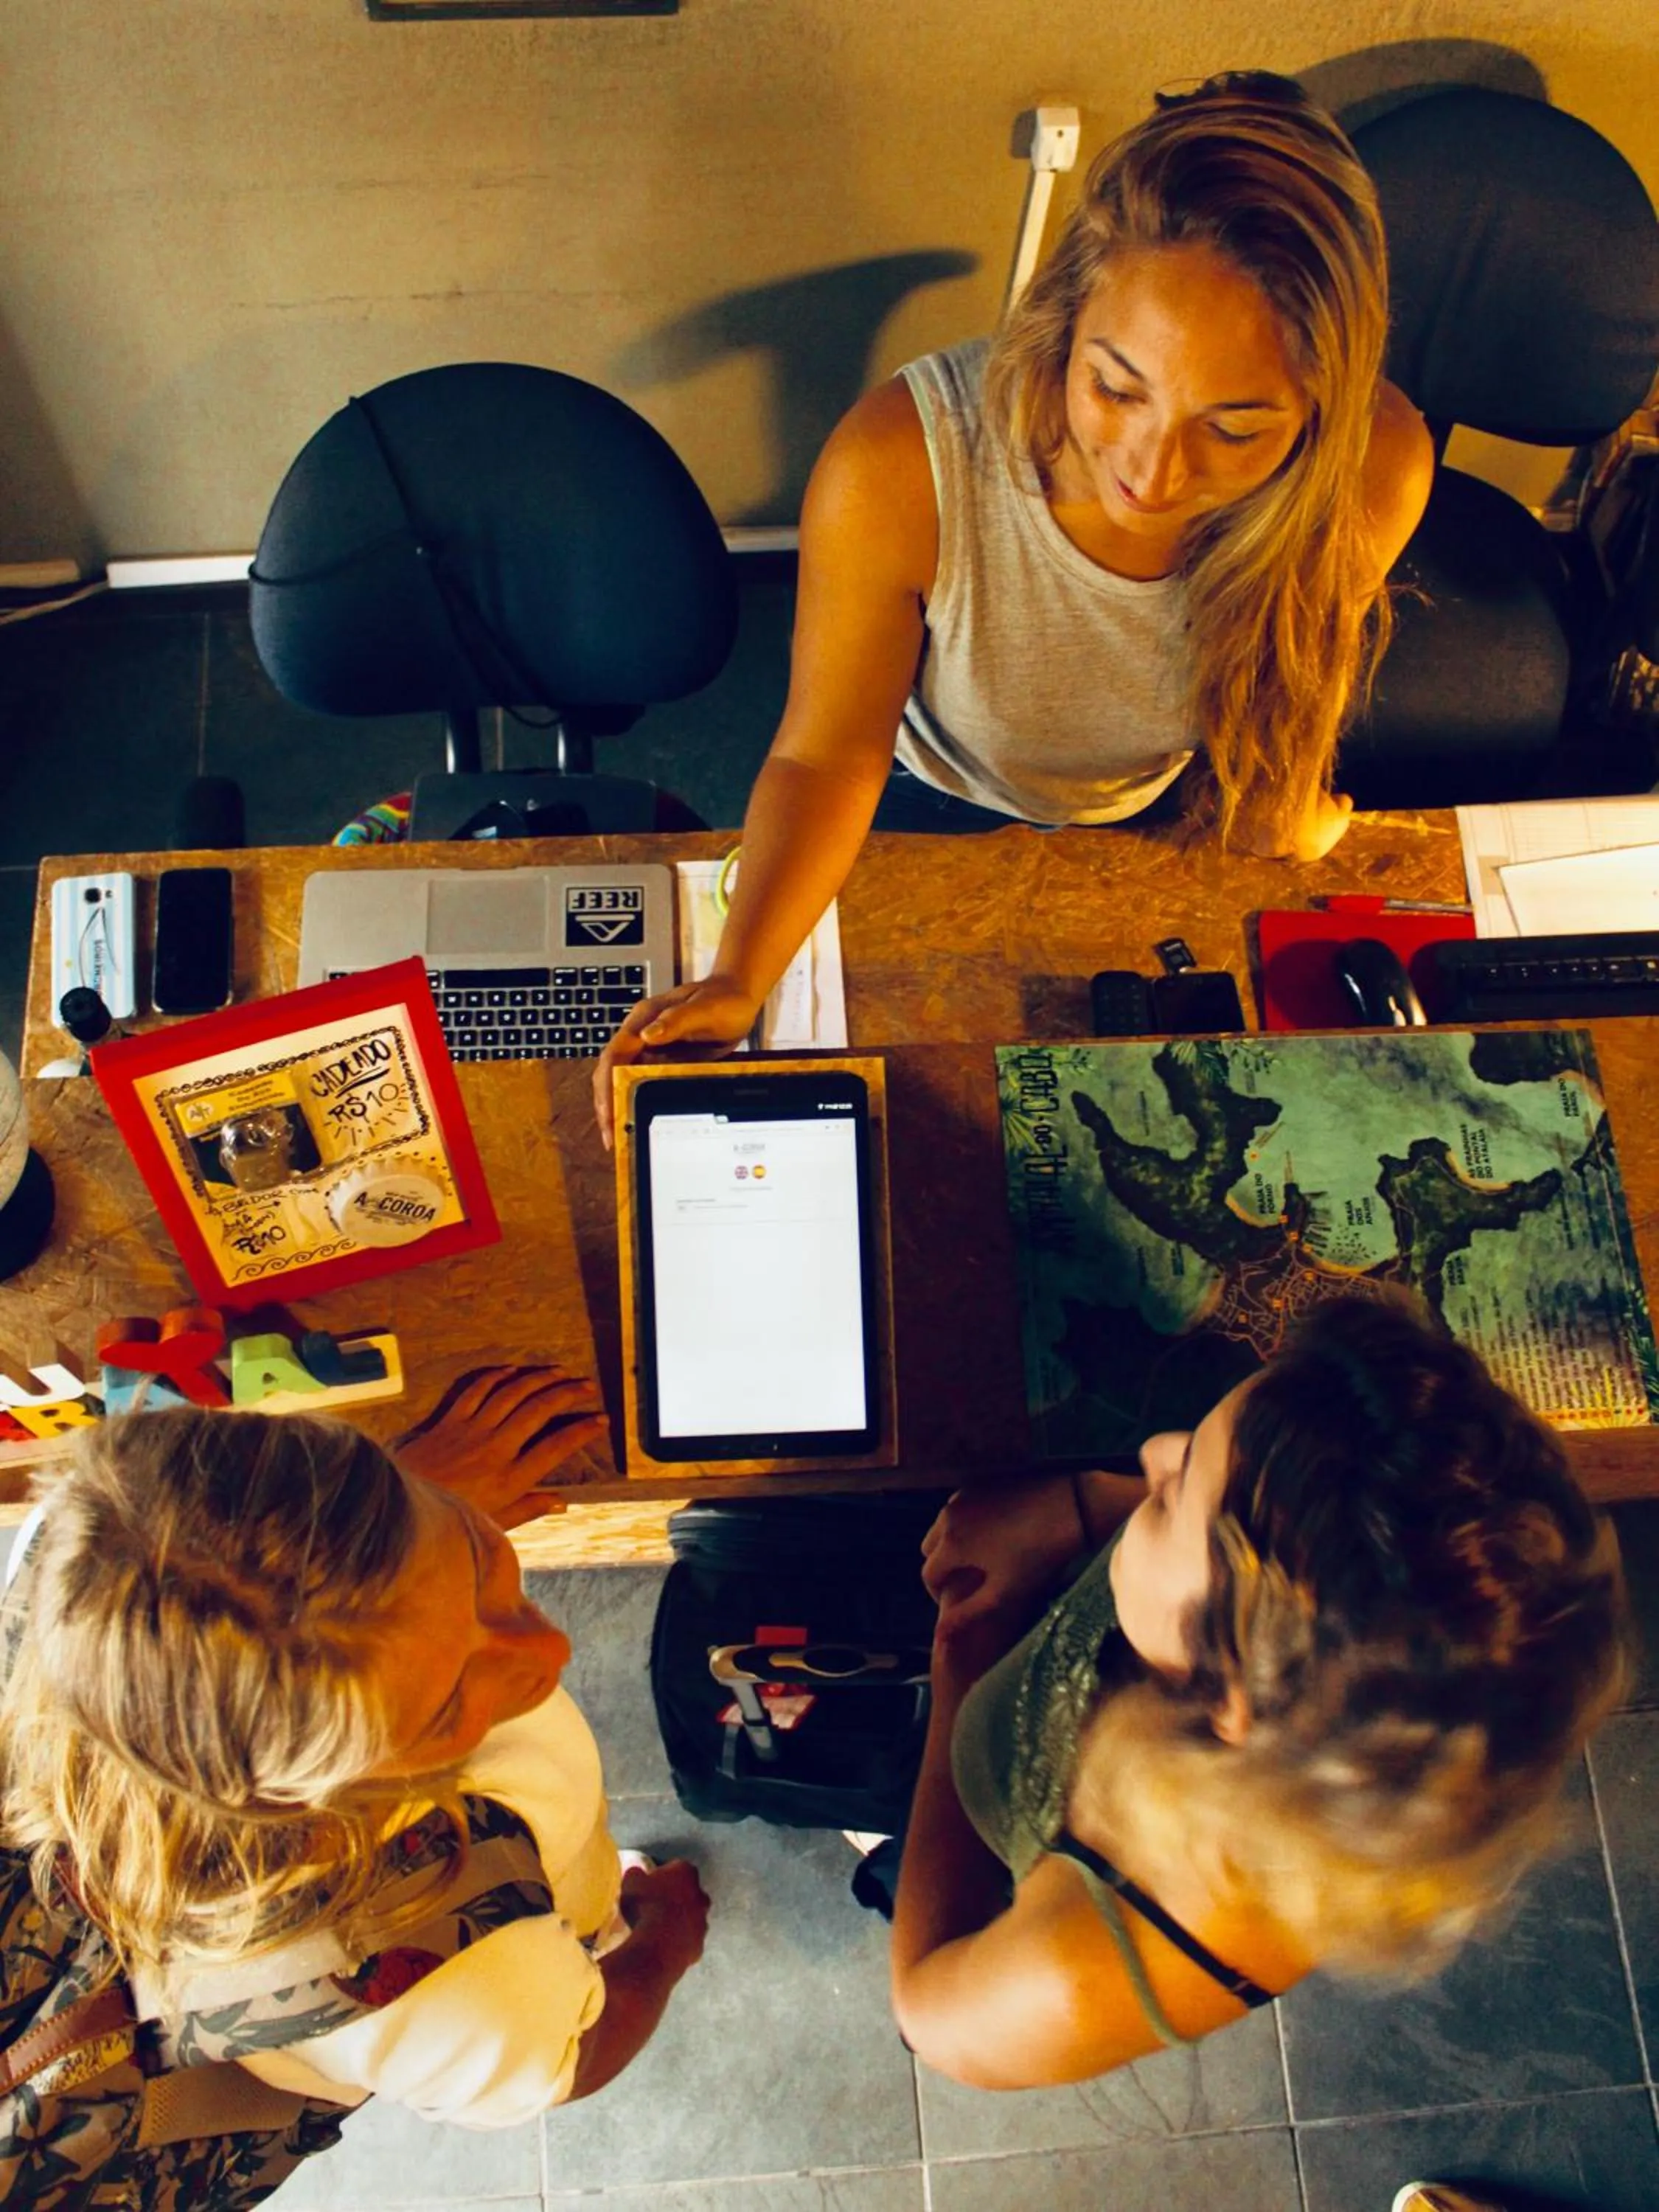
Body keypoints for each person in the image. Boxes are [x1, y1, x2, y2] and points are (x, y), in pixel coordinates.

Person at [594, 72, 1434, 1141]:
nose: (1154, 475)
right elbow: (826, 754)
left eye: (1233, 429)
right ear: (1065, 315)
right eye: (1116, 388)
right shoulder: (899, 463)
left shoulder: (1373, 465)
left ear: (1325, 402)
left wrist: (1279, 794)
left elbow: (1274, 694)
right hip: (927, 797)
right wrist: (737, 977)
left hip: (1155, 811)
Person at [889, 1295, 1628, 2087]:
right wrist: (1084, 1505)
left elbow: (927, 2010)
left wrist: (967, 1639)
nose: (1154, 1452)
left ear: (1229, 1698)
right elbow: (1244, 1535)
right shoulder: (1332, 1642)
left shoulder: (1115, 1955)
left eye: (1172, 1494)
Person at [0, 1367, 709, 2128]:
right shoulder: (449, 1991)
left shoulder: (80, 1554)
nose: (550, 1651)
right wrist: (663, 1944)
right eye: (444, 1710)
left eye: (479, 1562)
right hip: (503, 1925)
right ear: (304, 1792)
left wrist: (381, 1504)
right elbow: (578, 2058)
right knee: (572, 1903)